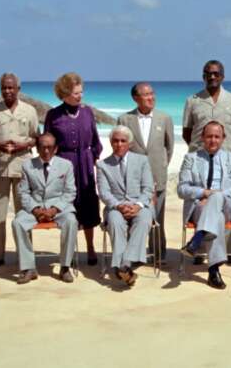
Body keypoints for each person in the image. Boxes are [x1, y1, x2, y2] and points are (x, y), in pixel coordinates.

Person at [177, 121, 231, 290]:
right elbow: (181, 189)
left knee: (216, 200)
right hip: (199, 207)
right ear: (202, 137)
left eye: (217, 136)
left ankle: (197, 239)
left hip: (227, 205)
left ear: (223, 138)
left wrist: (216, 196)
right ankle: (213, 270)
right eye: (209, 136)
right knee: (216, 218)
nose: (213, 140)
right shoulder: (190, 159)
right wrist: (204, 193)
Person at [44, 72, 103, 265]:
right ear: (64, 93)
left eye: (81, 92)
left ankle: (91, 247)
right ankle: (69, 250)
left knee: (88, 204)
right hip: (64, 163)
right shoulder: (53, 115)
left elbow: (95, 139)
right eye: (76, 93)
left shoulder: (87, 112)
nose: (80, 96)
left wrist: (93, 155)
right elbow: (47, 142)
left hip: (85, 162)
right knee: (67, 205)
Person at [0, 73, 38, 266]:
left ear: (18, 89)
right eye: (4, 88)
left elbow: (35, 138)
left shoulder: (29, 110)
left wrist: (23, 146)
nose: (7, 91)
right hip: (0, 167)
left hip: (23, 167)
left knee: (24, 212)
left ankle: (25, 256)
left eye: (11, 87)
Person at [117, 81, 174, 262]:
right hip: (133, 180)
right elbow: (121, 149)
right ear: (135, 98)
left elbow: (169, 147)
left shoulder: (164, 118)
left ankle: (158, 255)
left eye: (152, 93)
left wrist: (160, 167)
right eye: (146, 94)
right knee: (133, 218)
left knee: (157, 218)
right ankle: (131, 256)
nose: (151, 97)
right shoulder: (125, 119)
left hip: (158, 176)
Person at [13, 133, 78, 284]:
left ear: (56, 149)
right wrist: (35, 210)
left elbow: (70, 192)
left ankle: (65, 267)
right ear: (37, 148)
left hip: (59, 208)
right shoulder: (27, 165)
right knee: (18, 222)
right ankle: (29, 268)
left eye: (50, 147)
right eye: (42, 147)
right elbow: (23, 192)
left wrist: (55, 209)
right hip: (35, 207)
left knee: (71, 222)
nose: (46, 151)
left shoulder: (66, 165)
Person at [96, 126, 155, 287]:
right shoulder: (102, 165)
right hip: (115, 207)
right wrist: (119, 206)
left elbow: (148, 188)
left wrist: (138, 205)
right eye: (115, 141)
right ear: (110, 142)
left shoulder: (142, 160)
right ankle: (126, 266)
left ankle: (124, 264)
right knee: (115, 221)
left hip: (140, 205)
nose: (119, 144)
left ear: (129, 143)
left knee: (143, 220)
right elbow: (104, 193)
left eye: (123, 141)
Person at [182, 59, 231, 154]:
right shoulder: (192, 101)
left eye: (216, 74)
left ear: (222, 77)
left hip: (228, 157)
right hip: (199, 157)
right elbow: (186, 133)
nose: (212, 77)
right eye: (208, 74)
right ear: (204, 77)